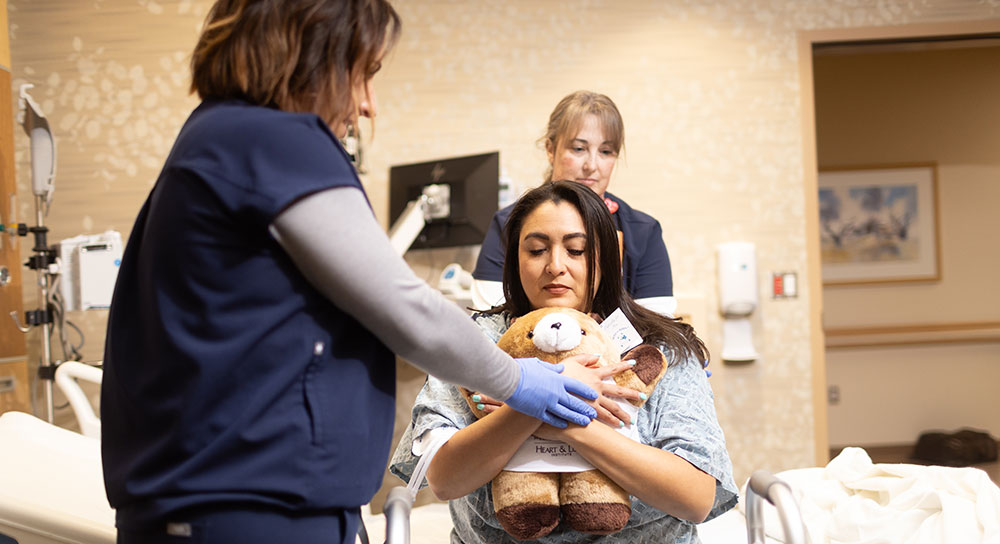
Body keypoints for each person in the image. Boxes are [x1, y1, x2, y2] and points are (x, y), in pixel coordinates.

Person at [99, 2, 602, 543]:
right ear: (308, 55)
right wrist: (520, 380)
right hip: (248, 504)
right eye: (362, 73)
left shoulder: (216, 138)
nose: (367, 104)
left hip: (230, 497)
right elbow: (401, 305)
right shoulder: (272, 138)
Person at [392, 181, 737, 543]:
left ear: (606, 257)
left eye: (576, 250)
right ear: (514, 258)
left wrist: (559, 416)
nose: (556, 266)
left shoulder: (660, 347)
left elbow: (696, 497)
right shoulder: (475, 342)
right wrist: (534, 398)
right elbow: (445, 479)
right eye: (538, 249)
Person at [472, 91, 676, 316]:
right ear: (551, 149)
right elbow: (488, 324)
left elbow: (657, 326)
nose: (592, 165)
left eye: (606, 152)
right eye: (579, 149)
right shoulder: (509, 224)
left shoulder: (642, 232)